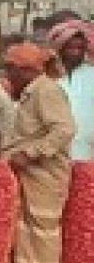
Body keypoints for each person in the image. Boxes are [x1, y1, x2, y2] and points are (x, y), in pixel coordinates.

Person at [0, 43, 77, 263]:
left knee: (43, 232)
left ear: (24, 70)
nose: (7, 75)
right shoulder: (30, 92)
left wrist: (31, 154)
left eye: (10, 69)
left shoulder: (46, 91)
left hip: (46, 174)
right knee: (27, 232)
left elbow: (64, 130)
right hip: (30, 173)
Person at [48, 21, 94, 160]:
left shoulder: (91, 74)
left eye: (80, 48)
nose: (75, 52)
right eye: (70, 48)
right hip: (52, 151)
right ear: (59, 48)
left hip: (86, 150)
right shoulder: (47, 76)